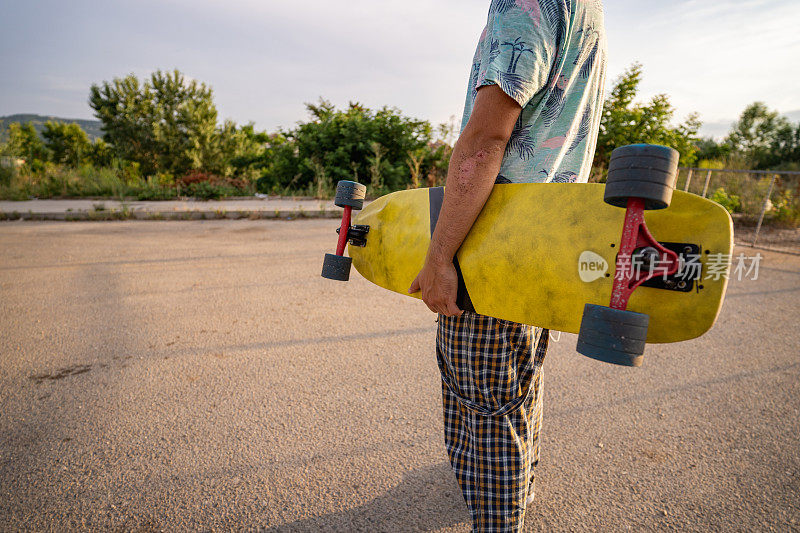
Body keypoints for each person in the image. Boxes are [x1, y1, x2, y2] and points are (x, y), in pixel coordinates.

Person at [408, 0, 608, 530]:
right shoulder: (583, 7)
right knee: (518, 386)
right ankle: (520, 490)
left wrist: (439, 256)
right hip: (547, 236)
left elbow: (487, 136)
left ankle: (498, 516)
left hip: (496, 244)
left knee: (484, 400)